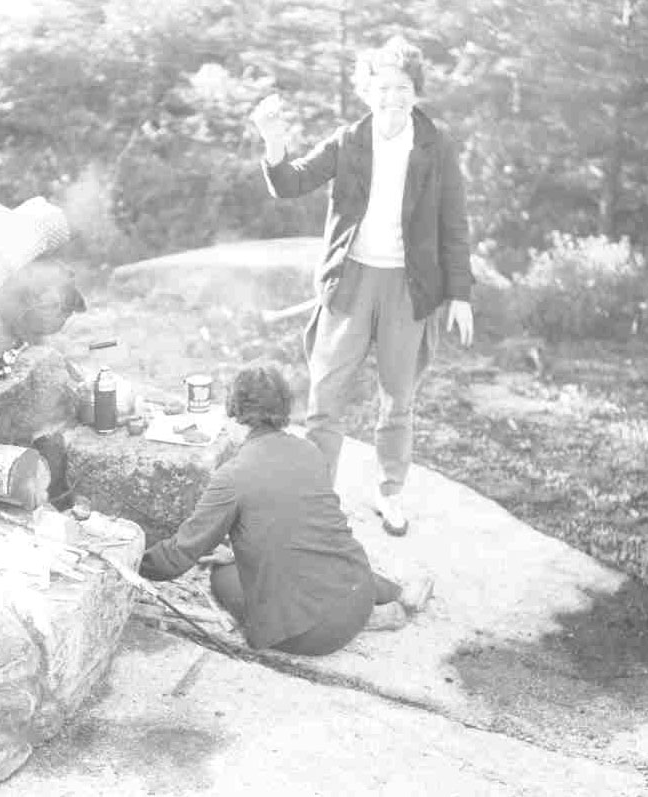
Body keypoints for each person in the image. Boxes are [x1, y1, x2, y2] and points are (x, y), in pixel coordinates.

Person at [250, 36, 474, 536]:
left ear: (416, 93)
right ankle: (315, 500)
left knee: (398, 399)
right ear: (366, 91)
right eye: (382, 87)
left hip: (410, 288)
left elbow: (454, 221)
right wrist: (273, 138)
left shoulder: (436, 147)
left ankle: (389, 492)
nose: (391, 96)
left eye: (402, 87)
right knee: (325, 397)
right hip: (349, 280)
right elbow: (290, 181)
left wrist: (460, 293)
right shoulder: (349, 140)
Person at [139, 364, 431, 657]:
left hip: (314, 635)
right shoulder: (309, 451)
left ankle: (361, 620)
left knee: (222, 576)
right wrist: (240, 552)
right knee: (325, 549)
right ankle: (397, 596)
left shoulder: (232, 477)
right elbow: (300, 527)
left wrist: (133, 560)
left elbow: (178, 557)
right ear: (285, 406)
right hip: (360, 591)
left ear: (233, 409)